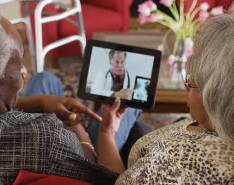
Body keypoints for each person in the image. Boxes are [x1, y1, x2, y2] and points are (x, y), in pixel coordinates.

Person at [96, 13, 234, 184]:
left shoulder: (166, 167)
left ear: (214, 95)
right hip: (157, 141)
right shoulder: (217, 127)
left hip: (141, 159)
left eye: (193, 83)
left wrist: (105, 132)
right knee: (134, 120)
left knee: (104, 117)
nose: (188, 81)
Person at [0, 15, 122, 185]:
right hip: (82, 159)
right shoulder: (46, 139)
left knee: (44, 79)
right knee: (128, 114)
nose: (25, 71)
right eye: (19, 62)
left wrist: (40, 103)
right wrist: (86, 130)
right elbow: (112, 180)